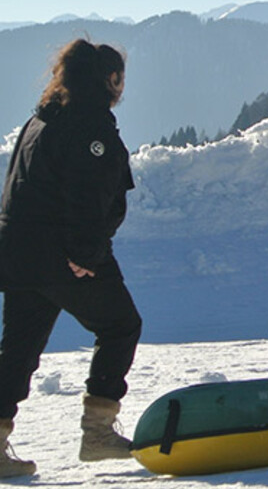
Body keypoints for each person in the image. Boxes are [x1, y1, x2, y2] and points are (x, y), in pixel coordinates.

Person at [0, 39, 141, 476]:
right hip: (62, 254)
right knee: (121, 325)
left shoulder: (42, 119)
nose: (122, 87)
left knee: (19, 348)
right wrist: (85, 254)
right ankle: (97, 434)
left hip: (18, 254)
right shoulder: (89, 123)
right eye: (120, 78)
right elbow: (87, 194)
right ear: (109, 79)